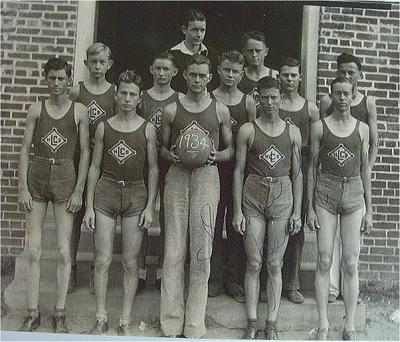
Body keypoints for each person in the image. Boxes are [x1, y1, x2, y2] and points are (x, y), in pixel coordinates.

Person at [160, 54, 233, 338]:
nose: (198, 80)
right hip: (177, 178)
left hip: (206, 176)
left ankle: (194, 323)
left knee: (201, 251)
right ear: (185, 76)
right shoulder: (171, 110)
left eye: (203, 76)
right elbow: (162, 148)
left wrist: (218, 155)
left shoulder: (220, 110)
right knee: (175, 249)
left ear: (209, 77)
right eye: (193, 75)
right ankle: (170, 320)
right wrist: (172, 155)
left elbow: (231, 150)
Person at [83, 70, 158, 335]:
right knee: (102, 260)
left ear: (139, 99)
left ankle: (125, 320)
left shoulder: (147, 128)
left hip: (136, 194)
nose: (127, 99)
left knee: (129, 262)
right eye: (123, 93)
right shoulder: (104, 126)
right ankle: (101, 318)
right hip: (106, 192)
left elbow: (153, 169)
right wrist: (90, 206)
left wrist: (150, 205)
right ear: (116, 95)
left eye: (132, 95)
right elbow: (94, 167)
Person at [18, 57, 90, 333]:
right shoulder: (37, 109)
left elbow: (84, 153)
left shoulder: (79, 111)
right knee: (34, 250)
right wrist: (22, 187)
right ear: (45, 78)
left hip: (65, 176)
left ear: (69, 79)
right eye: (52, 78)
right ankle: (32, 311)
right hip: (37, 174)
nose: (57, 83)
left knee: (62, 251)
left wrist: (79, 190)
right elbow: (25, 150)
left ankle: (60, 312)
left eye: (62, 78)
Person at [233, 76, 303, 339]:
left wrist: (297, 211)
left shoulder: (292, 132)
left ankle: (271, 323)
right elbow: (238, 171)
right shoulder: (248, 130)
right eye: (265, 97)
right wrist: (238, 211)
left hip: (282, 197)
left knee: (274, 263)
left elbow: (297, 174)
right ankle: (252, 322)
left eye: (275, 97)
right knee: (253, 262)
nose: (270, 102)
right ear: (258, 99)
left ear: (281, 99)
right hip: (253, 196)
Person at [307, 77, 372, 340]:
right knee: (324, 258)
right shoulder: (319, 127)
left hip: (354, 194)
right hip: (326, 191)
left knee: (350, 262)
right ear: (331, 96)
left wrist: (370, 209)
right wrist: (310, 208)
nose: (342, 98)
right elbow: (311, 166)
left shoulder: (363, 128)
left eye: (347, 93)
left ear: (353, 94)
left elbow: (364, 169)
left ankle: (350, 324)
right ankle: (323, 323)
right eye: (337, 93)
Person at [319, 53, 378, 303]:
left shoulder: (368, 103)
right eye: (341, 71)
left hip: (356, 178)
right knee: (329, 242)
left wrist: (367, 170)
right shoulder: (329, 100)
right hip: (332, 178)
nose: (346, 76)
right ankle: (332, 289)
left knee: (352, 245)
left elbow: (373, 142)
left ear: (359, 75)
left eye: (351, 72)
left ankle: (348, 288)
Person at [208, 50, 256, 302]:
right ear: (218, 70)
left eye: (235, 71)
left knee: (237, 226)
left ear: (242, 73)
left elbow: (255, 135)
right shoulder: (209, 97)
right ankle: (214, 278)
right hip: (214, 170)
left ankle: (233, 279)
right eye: (226, 69)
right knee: (213, 226)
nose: (230, 75)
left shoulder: (247, 102)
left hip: (241, 172)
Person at [68, 42, 116, 294]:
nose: (97, 67)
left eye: (102, 62)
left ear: (109, 64)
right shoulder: (77, 92)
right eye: (92, 62)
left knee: (99, 215)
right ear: (86, 64)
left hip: (104, 163)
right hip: (78, 161)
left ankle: (96, 270)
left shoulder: (116, 93)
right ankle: (71, 268)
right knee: (75, 217)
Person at [137, 51, 182, 291]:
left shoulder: (180, 99)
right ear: (151, 70)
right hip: (143, 163)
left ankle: (165, 271)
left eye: (167, 69)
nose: (162, 73)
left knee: (168, 219)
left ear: (175, 71)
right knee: (140, 217)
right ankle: (140, 271)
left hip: (170, 164)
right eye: (158, 68)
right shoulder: (141, 98)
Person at [278, 57, 320, 304]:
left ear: (300, 78)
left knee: (296, 225)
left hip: (300, 169)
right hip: (275, 166)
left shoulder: (311, 109)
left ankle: (291, 284)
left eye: (294, 75)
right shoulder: (272, 104)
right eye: (285, 75)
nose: (290, 80)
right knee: (271, 225)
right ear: (279, 77)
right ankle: (266, 281)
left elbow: (315, 151)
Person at [169, 8, 218, 93]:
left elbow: (215, 83)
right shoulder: (172, 54)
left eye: (202, 30)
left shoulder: (211, 53)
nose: (199, 35)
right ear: (184, 29)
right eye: (194, 30)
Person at [238, 31, 278, 106]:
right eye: (250, 51)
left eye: (258, 51)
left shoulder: (275, 75)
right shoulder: (239, 75)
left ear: (266, 51)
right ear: (244, 51)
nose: (254, 55)